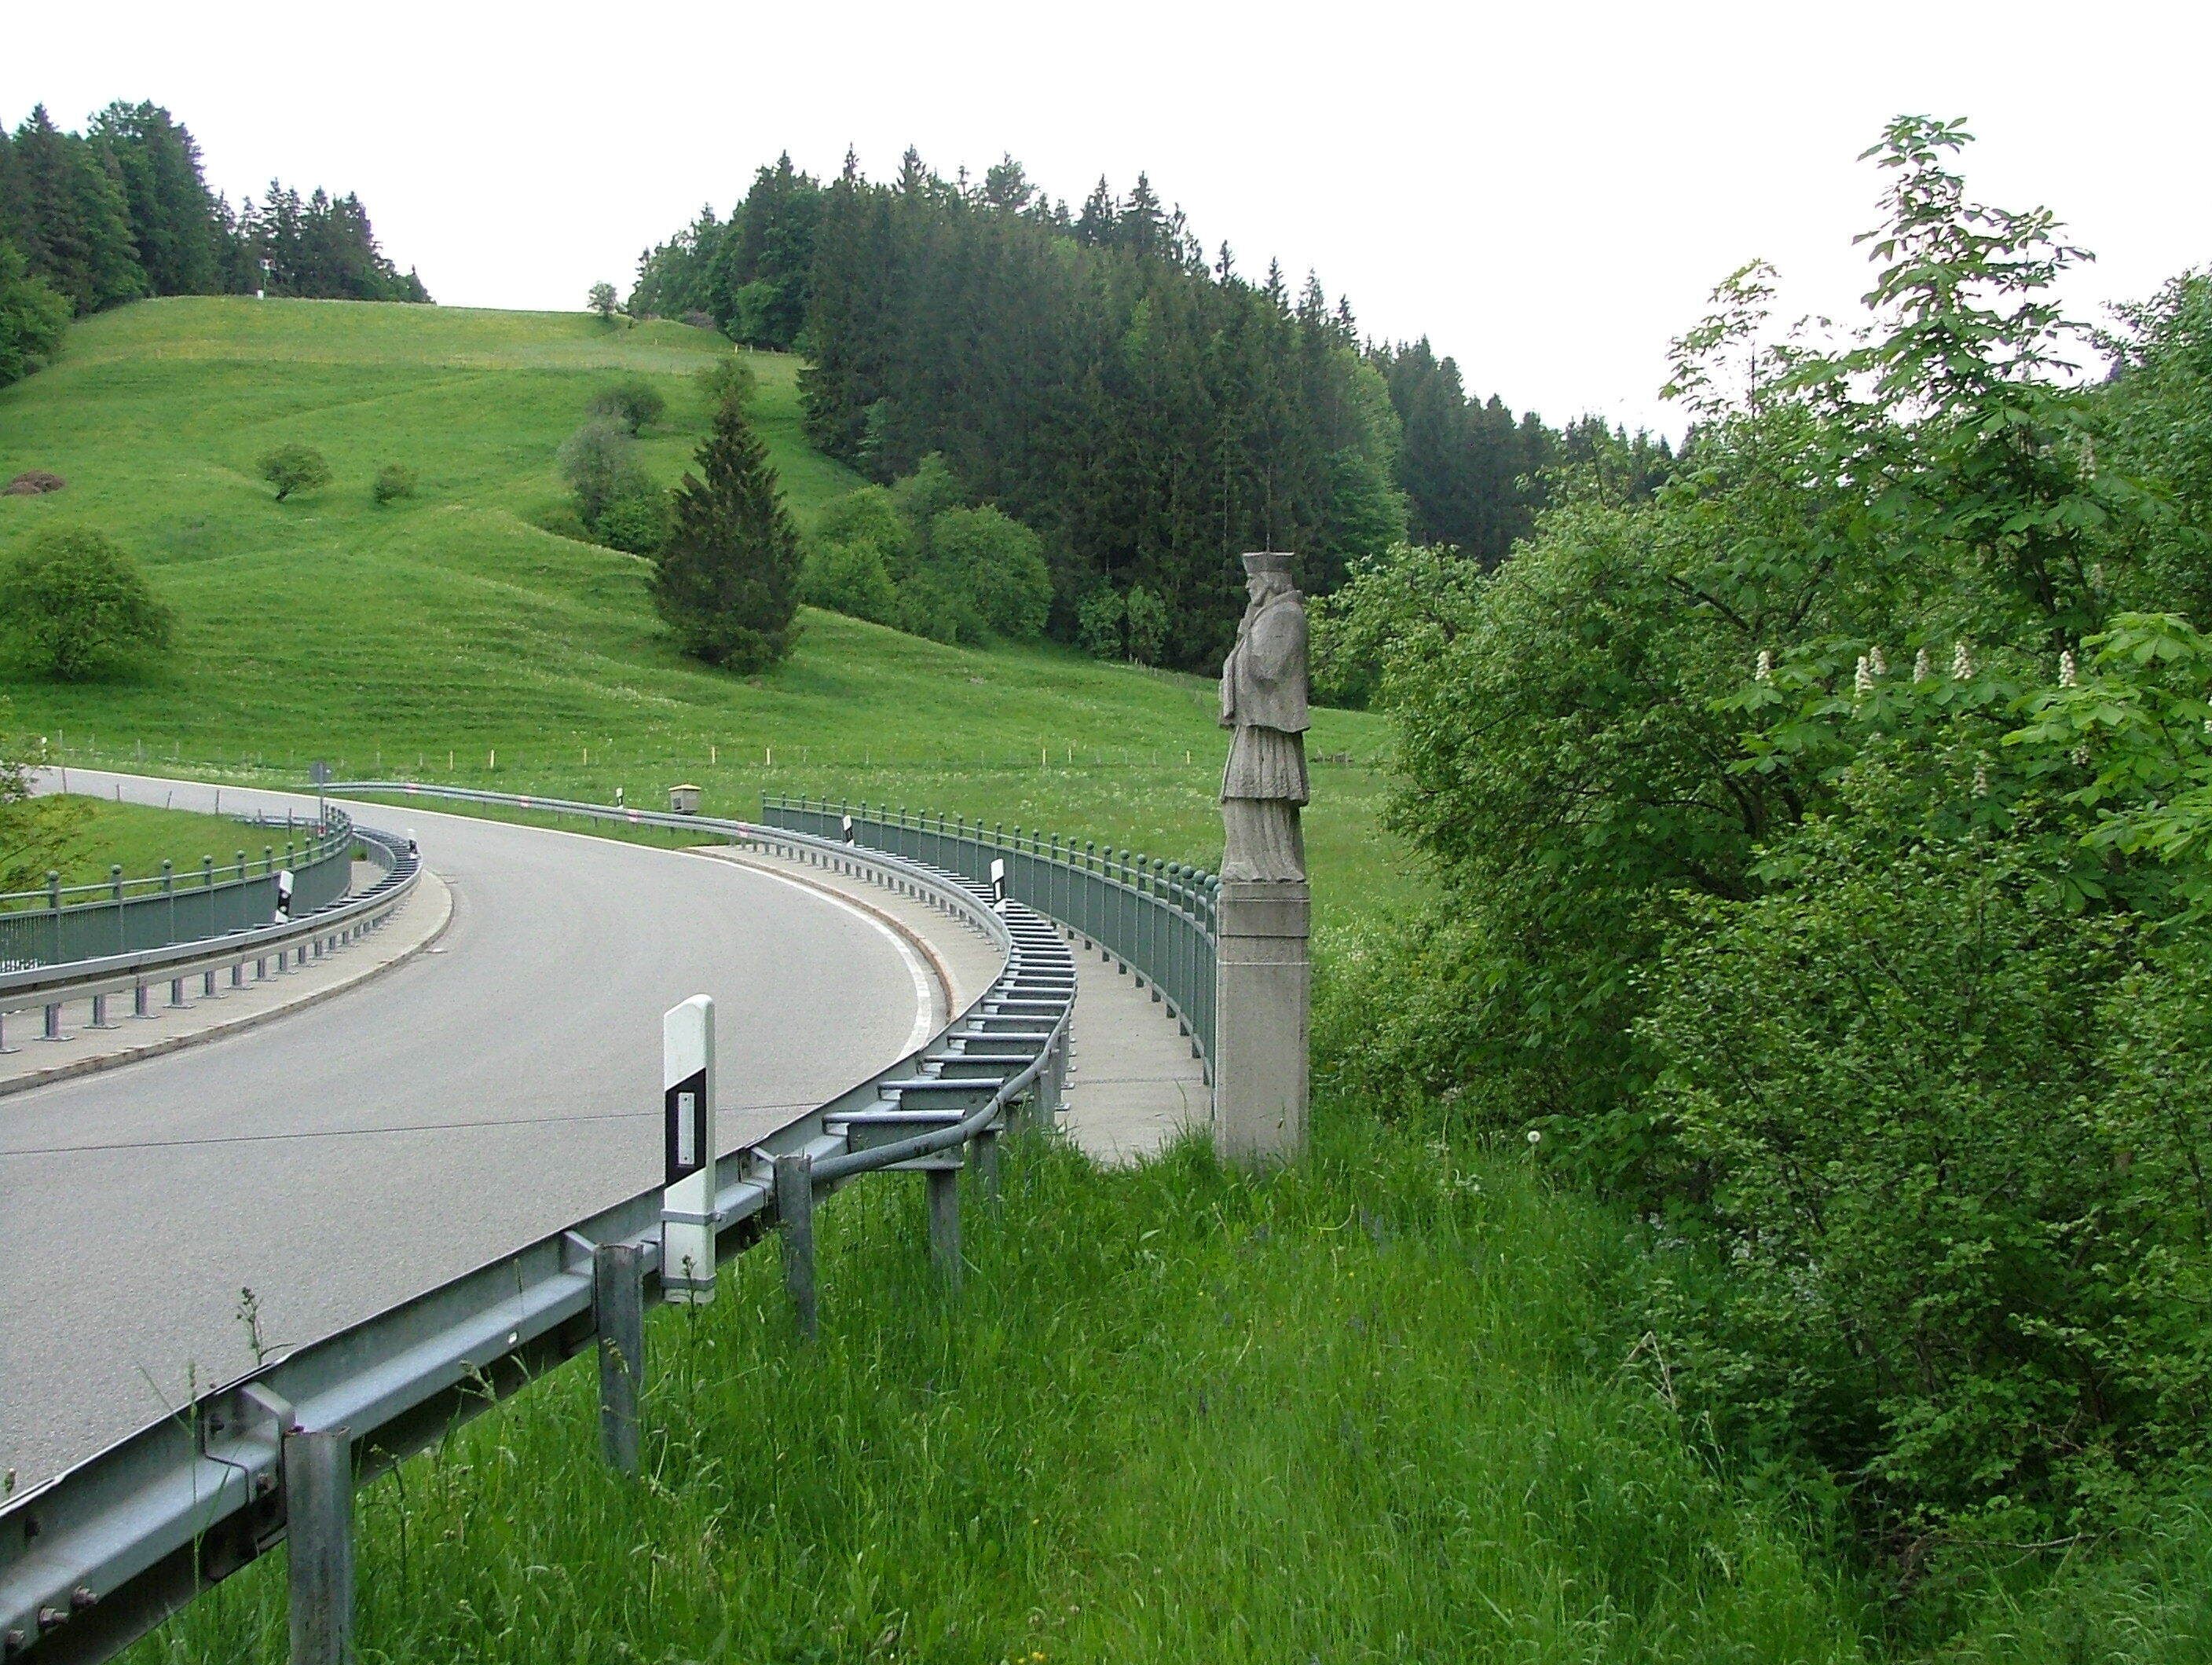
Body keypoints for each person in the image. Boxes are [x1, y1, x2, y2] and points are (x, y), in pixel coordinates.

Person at [1218, 552, 1309, 882]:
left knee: (1258, 791)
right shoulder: (1266, 617)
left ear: (1269, 581)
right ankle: (1247, 862)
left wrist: (1247, 636)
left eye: (1253, 580)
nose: (1248, 586)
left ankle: (1267, 864)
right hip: (1254, 726)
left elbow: (1265, 670)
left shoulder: (1286, 617)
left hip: (1270, 727)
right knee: (1238, 794)